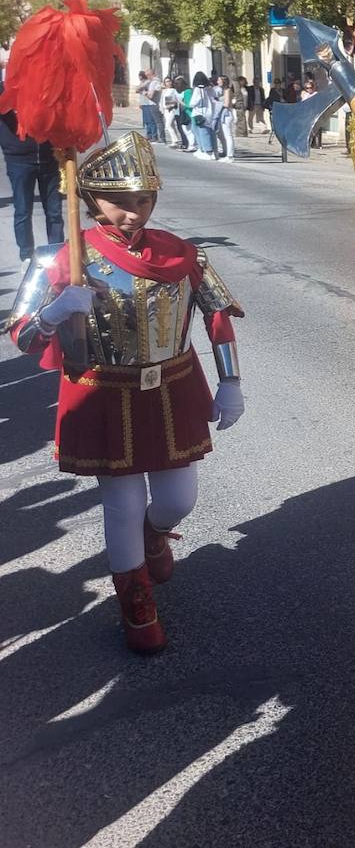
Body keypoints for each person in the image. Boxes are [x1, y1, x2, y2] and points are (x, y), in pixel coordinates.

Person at [3, 132, 245, 653]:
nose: (134, 213)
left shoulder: (182, 253)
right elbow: (22, 335)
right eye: (120, 202)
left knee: (179, 499)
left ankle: (156, 534)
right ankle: (134, 598)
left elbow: (218, 313)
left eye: (143, 200)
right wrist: (55, 309)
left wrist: (230, 381)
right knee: (122, 502)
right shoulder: (61, 258)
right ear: (91, 200)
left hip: (171, 388)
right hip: (103, 394)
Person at [1, 99, 63, 261]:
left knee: (54, 213)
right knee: (23, 211)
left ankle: (56, 255)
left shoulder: (46, 89)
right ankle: (26, 256)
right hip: (18, 160)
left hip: (50, 158)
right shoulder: (5, 91)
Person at [187, 72, 215, 159]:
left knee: (202, 132)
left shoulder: (198, 89)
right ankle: (202, 149)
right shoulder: (209, 89)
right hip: (208, 112)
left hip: (199, 113)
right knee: (198, 130)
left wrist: (188, 104)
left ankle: (207, 151)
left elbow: (193, 103)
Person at [137, 70, 163, 142]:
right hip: (145, 103)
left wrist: (143, 91)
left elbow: (149, 94)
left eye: (148, 75)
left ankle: (154, 136)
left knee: (152, 121)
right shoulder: (146, 82)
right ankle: (149, 135)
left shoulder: (152, 82)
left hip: (150, 103)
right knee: (147, 121)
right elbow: (137, 89)